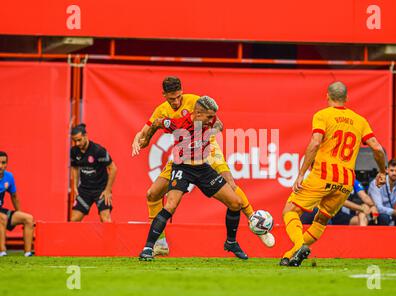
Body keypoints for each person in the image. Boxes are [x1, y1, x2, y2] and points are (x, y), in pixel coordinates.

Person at [131, 76, 274, 255]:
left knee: (230, 183)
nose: (176, 102)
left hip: (207, 149)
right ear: (164, 95)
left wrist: (205, 133)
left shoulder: (196, 101)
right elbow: (151, 126)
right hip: (183, 159)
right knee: (153, 194)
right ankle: (158, 244)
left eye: (178, 97)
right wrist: (139, 138)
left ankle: (255, 221)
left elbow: (217, 122)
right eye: (171, 99)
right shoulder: (164, 112)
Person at [280, 81, 387, 267]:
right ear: (346, 98)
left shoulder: (322, 115)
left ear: (327, 96)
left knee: (290, 210)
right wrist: (383, 172)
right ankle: (290, 256)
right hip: (345, 181)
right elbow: (377, 148)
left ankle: (298, 246)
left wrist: (301, 174)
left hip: (322, 174)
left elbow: (314, 143)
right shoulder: (360, 121)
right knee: (321, 219)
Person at [138, 96, 249, 261]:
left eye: (213, 117)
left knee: (236, 203)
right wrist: (146, 138)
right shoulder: (179, 123)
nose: (212, 120)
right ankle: (148, 248)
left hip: (203, 168)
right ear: (197, 114)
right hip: (182, 167)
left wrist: (216, 126)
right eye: (209, 117)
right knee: (170, 205)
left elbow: (219, 125)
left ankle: (231, 242)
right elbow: (157, 122)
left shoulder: (209, 121)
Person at [70, 124, 117, 222]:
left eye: (79, 140)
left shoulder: (98, 150)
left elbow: (113, 169)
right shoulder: (74, 151)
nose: (77, 143)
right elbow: (74, 168)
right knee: (74, 220)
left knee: (106, 220)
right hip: (84, 190)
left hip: (101, 190)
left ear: (85, 136)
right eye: (75, 141)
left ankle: (108, 238)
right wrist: (74, 186)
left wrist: (108, 190)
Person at [0, 151, 35, 257]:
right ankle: (2, 251)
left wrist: (18, 213)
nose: (0, 166)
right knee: (2, 218)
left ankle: (28, 253)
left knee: (28, 219)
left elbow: (14, 196)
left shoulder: (9, 177)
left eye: (3, 163)